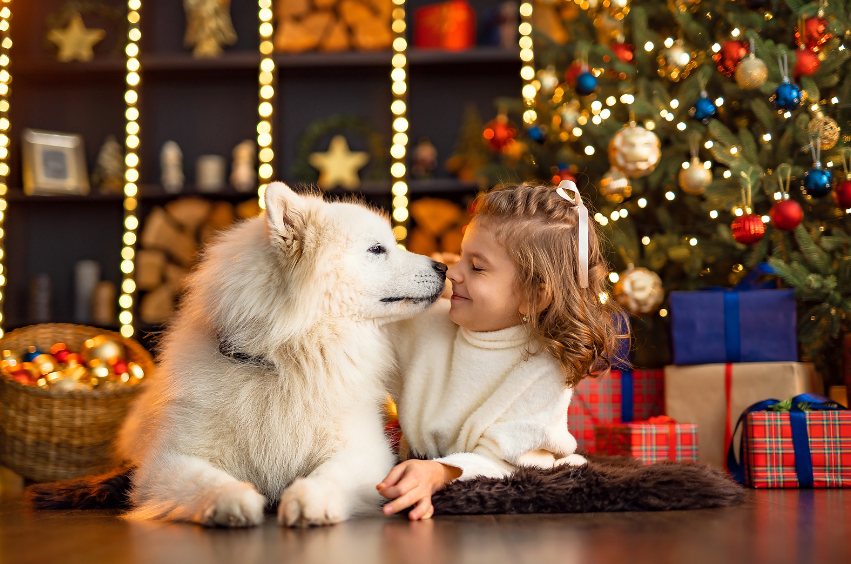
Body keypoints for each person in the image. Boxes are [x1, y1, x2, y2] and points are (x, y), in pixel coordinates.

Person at [377, 181, 628, 520]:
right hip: (422, 468)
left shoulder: (543, 367)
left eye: (477, 267)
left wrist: (439, 473)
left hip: (508, 498)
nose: (453, 272)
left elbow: (507, 462)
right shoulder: (427, 322)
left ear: (534, 296)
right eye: (461, 255)